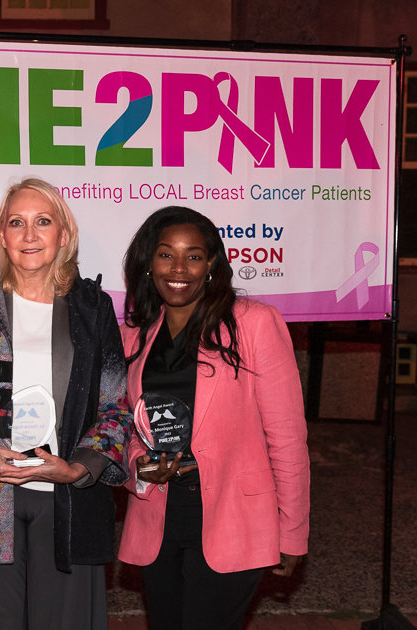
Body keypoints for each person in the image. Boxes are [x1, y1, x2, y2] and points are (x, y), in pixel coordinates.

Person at [0, 178, 132, 630]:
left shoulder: (91, 307)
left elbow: (116, 405)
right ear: (2, 234)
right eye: (16, 223)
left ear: (64, 233)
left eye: (43, 222)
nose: (29, 235)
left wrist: (78, 468)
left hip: (66, 500)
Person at [117, 206, 310, 630]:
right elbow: (128, 427)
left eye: (194, 255)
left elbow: (288, 439)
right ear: (148, 263)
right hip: (159, 517)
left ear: (212, 265)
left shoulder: (255, 324)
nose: (179, 268)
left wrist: (293, 529)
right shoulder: (134, 333)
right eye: (166, 254)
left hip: (234, 517)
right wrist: (139, 467)